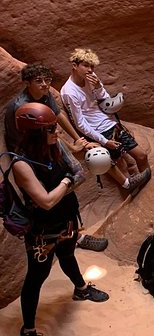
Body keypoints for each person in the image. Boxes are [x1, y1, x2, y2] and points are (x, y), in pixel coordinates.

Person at [11, 103, 109, 336]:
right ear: (35, 132)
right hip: (42, 231)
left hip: (66, 219)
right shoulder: (22, 164)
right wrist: (67, 181)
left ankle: (81, 289)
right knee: (37, 277)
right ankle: (28, 331)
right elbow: (45, 201)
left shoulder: (54, 147)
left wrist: (66, 184)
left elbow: (80, 173)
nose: (57, 132)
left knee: (67, 255)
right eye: (51, 128)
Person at [3, 63, 108, 252]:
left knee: (71, 179)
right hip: (29, 155)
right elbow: (36, 138)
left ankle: (73, 232)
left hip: (44, 147)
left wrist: (78, 141)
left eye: (47, 80)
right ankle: (70, 236)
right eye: (39, 81)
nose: (44, 85)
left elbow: (57, 117)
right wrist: (69, 148)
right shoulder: (23, 107)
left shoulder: (44, 95)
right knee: (48, 197)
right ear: (27, 83)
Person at [60, 48, 151, 194]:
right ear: (75, 65)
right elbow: (80, 123)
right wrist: (104, 141)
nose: (90, 70)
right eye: (85, 65)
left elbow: (105, 99)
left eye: (92, 66)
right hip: (98, 131)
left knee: (142, 156)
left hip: (112, 123)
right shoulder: (69, 92)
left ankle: (150, 185)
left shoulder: (91, 77)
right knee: (105, 160)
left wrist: (98, 87)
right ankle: (129, 186)